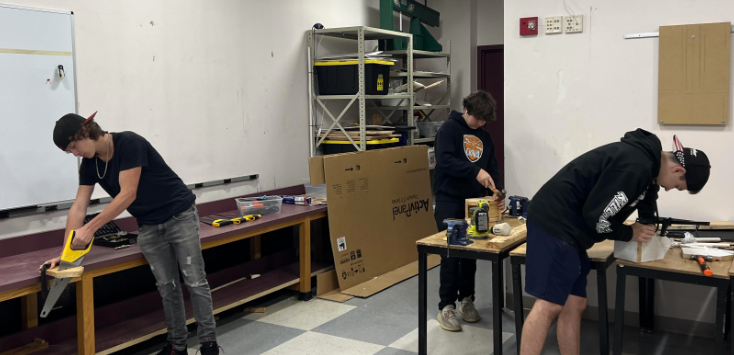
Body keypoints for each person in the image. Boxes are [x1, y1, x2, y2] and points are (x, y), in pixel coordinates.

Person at [42, 112, 221, 355]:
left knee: (195, 281)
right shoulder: (90, 164)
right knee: (167, 287)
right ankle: (177, 347)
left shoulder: (129, 143)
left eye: (74, 146)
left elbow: (128, 194)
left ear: (86, 132)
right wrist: (66, 253)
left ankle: (209, 345)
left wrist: (90, 228)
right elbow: (78, 207)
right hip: (148, 224)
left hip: (179, 215)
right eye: (69, 151)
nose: (75, 153)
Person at [520, 130, 711, 355]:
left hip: (571, 229)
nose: (669, 189)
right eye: (677, 186)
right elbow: (597, 218)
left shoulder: (648, 165)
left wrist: (650, 225)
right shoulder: (635, 166)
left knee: (575, 303)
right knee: (550, 304)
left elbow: (648, 195)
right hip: (554, 222)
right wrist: (629, 233)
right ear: (678, 169)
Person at [433, 90, 505, 332]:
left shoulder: (484, 136)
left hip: (474, 203)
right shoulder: (449, 130)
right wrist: (474, 171)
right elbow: (444, 161)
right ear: (466, 111)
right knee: (451, 253)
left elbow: (491, 166)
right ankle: (446, 307)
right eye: (478, 119)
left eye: (485, 121)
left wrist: (497, 191)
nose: (481, 123)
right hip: (449, 200)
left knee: (471, 253)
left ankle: (467, 300)